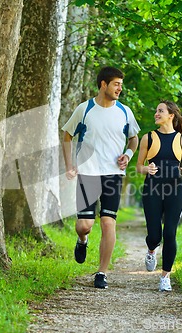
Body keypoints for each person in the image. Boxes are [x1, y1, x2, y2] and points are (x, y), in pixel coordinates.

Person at [61, 66, 140, 289]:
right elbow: (67, 135)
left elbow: (134, 139)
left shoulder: (125, 112)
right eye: (116, 84)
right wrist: (69, 165)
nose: (120, 89)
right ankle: (82, 240)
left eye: (121, 85)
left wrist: (129, 154)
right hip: (87, 173)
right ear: (103, 84)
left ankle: (102, 273)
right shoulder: (84, 109)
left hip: (113, 174)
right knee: (85, 225)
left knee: (108, 222)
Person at [135, 100, 182, 291]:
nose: (156, 114)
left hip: (175, 190)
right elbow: (138, 167)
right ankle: (152, 249)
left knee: (170, 233)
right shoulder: (148, 138)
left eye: (160, 111)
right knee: (154, 235)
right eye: (156, 110)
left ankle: (165, 277)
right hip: (152, 189)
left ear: (171, 115)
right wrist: (147, 168)